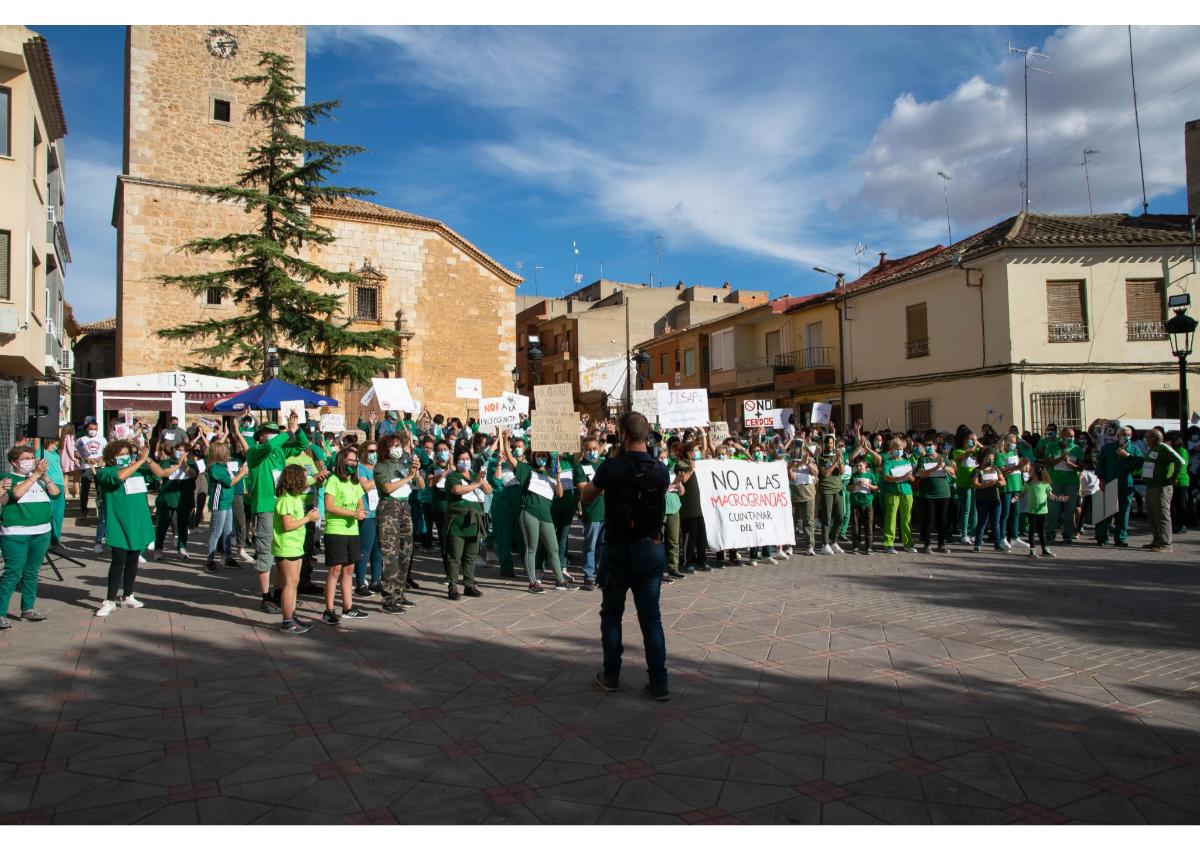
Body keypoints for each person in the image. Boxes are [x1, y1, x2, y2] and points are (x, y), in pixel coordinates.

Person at [580, 411, 670, 701]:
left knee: (611, 614)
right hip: (651, 547)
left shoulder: (612, 466)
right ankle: (659, 683)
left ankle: (611, 674)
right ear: (647, 436)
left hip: (619, 548)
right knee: (651, 618)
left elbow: (587, 497)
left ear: (623, 434)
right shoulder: (660, 468)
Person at [95, 440, 170, 617]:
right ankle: (110, 600)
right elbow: (120, 477)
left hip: (137, 523)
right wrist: (138, 462)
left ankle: (128, 595)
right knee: (118, 560)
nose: (124, 456)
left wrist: (147, 459)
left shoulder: (138, 470)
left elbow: (160, 474)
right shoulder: (106, 472)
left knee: (133, 561)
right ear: (112, 457)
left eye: (127, 453)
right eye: (120, 454)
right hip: (119, 524)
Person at [246, 414, 309, 614]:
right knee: (265, 550)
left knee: (281, 550)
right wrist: (287, 431)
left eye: (275, 431)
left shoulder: (280, 451)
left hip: (281, 505)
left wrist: (296, 429)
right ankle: (265, 596)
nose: (274, 435)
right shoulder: (256, 451)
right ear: (260, 435)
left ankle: (281, 592)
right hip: (265, 506)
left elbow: (302, 444)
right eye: (270, 432)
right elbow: (271, 446)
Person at [0, 446, 60, 628]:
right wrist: (34, 476)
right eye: (25, 458)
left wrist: (45, 477)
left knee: (32, 572)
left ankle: (28, 608)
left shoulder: (39, 478)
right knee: (12, 572)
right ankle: (1, 612)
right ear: (14, 462)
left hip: (41, 531)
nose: (30, 460)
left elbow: (56, 493)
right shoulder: (8, 478)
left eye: (31, 457)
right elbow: (17, 494)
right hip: (16, 533)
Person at [501, 436, 569, 593]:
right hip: (529, 513)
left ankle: (560, 580)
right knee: (531, 548)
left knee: (553, 548)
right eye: (538, 455)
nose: (541, 458)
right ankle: (533, 583)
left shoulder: (551, 474)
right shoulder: (526, 470)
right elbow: (511, 459)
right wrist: (505, 443)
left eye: (544, 456)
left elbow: (559, 494)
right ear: (533, 456)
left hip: (546, 516)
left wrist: (558, 477)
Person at [374, 432, 423, 614]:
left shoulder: (405, 463)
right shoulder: (381, 466)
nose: (397, 448)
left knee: (405, 553)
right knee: (391, 555)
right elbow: (387, 487)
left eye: (398, 445)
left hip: (405, 508)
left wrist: (415, 473)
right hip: (389, 510)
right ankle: (388, 598)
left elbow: (422, 486)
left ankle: (399, 592)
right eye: (393, 445)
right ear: (386, 448)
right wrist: (409, 476)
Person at [321, 446, 369, 624]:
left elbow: (360, 503)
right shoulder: (333, 480)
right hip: (336, 530)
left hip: (352, 531)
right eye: (350, 460)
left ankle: (348, 607)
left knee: (349, 570)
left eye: (355, 460)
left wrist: (361, 511)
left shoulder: (355, 483)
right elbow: (330, 506)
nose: (353, 463)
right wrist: (352, 513)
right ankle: (329, 609)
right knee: (335, 570)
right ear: (342, 461)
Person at [273, 464, 320, 634]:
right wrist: (308, 518)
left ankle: (292, 616)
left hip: (295, 546)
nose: (306, 481)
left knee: (294, 583)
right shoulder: (285, 499)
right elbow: (287, 525)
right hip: (287, 547)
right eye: (303, 477)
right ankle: (287, 620)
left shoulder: (295, 498)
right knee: (289, 584)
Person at [445, 446, 491, 599]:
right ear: (456, 461)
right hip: (458, 522)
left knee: (471, 556)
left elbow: (489, 490)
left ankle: (469, 584)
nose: (464, 462)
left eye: (467, 459)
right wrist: (476, 484)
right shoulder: (453, 476)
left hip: (474, 521)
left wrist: (481, 480)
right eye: (461, 459)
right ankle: (452, 586)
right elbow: (457, 490)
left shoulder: (474, 475)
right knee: (455, 556)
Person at [204, 439, 249, 573]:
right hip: (220, 503)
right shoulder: (215, 468)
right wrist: (242, 473)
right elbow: (229, 482)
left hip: (227, 501)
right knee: (216, 532)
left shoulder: (223, 466)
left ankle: (227, 557)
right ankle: (210, 560)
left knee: (228, 531)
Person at [1094, 425, 1143, 547]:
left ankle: (1121, 538)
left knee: (1123, 512)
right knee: (1105, 511)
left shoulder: (1134, 449)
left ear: (1131, 436)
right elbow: (1100, 465)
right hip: (1109, 482)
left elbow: (1140, 463)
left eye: (1127, 435)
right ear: (1118, 436)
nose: (1125, 437)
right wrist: (1101, 479)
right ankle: (1101, 537)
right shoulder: (1108, 448)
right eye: (1123, 434)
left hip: (1126, 484)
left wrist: (1127, 456)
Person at [150, 440, 198, 560]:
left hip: (184, 499)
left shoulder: (192, 463)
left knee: (182, 526)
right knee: (162, 526)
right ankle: (158, 549)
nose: (178, 452)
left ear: (186, 452)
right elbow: (163, 474)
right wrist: (177, 465)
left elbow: (193, 475)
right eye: (177, 450)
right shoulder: (167, 462)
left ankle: (182, 548)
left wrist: (184, 466)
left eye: (181, 450)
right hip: (168, 499)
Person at [1141, 427, 1182, 553]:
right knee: (1153, 515)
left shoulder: (1163, 447)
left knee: (1162, 516)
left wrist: (1174, 477)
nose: (1145, 439)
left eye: (1147, 437)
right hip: (1151, 486)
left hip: (1161, 488)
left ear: (1153, 438)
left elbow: (1180, 461)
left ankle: (1166, 543)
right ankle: (1157, 540)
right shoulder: (1152, 449)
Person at [1045, 427, 1084, 545]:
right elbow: (1048, 463)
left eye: (1072, 436)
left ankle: (1067, 535)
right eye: (1068, 436)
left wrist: (1068, 462)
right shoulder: (1052, 447)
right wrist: (1060, 459)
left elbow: (1080, 467)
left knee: (1069, 510)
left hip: (1071, 483)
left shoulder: (1077, 449)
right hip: (1055, 482)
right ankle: (1050, 535)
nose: (1070, 438)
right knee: (1053, 510)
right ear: (1061, 436)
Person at [354, 440, 383, 596]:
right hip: (367, 512)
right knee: (365, 549)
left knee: (378, 550)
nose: (374, 454)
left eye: (376, 451)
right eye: (371, 451)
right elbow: (365, 486)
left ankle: (375, 580)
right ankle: (360, 583)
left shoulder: (378, 468)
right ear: (364, 452)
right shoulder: (360, 468)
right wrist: (381, 478)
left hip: (379, 511)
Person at [577, 435, 606, 588]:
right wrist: (602, 488)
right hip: (592, 512)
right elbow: (583, 488)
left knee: (603, 544)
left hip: (606, 512)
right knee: (590, 545)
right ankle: (588, 575)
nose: (591, 452)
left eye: (594, 449)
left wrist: (595, 488)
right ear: (584, 450)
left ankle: (600, 571)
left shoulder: (604, 463)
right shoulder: (580, 466)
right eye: (588, 449)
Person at [916, 440, 953, 553]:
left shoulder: (943, 458)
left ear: (935, 446)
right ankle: (927, 544)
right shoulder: (923, 459)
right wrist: (935, 467)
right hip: (928, 494)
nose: (928, 447)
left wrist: (943, 466)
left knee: (942, 520)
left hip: (943, 493)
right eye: (926, 445)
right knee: (929, 519)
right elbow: (921, 474)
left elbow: (952, 471)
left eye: (930, 445)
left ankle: (941, 544)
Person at [880, 438, 916, 554]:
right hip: (892, 493)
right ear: (891, 449)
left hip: (907, 492)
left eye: (901, 449)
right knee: (891, 518)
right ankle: (889, 543)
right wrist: (901, 478)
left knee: (907, 518)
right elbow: (886, 477)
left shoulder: (906, 462)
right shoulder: (888, 462)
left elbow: (912, 478)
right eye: (896, 448)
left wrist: (910, 478)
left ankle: (908, 543)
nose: (899, 451)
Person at [1023, 464, 1067, 558]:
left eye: (1031, 471)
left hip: (1042, 511)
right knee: (1031, 530)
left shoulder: (1045, 484)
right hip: (1031, 510)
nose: (1029, 472)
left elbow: (1050, 495)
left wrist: (1058, 498)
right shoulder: (1028, 483)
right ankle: (1032, 549)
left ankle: (1045, 549)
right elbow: (1022, 493)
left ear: (1037, 472)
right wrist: (1017, 497)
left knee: (1041, 530)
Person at [971, 450, 1006, 553]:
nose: (990, 461)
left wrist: (998, 483)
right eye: (988, 459)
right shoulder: (977, 471)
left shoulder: (995, 469)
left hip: (995, 500)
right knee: (982, 522)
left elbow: (1003, 481)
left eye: (992, 459)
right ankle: (977, 544)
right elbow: (975, 484)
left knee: (995, 522)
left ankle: (998, 544)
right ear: (982, 459)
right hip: (982, 500)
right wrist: (988, 484)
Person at [35, 435, 67, 548]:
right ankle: (47, 540)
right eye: (54, 443)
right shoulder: (40, 451)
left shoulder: (55, 453)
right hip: (50, 483)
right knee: (51, 513)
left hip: (60, 484)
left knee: (59, 513)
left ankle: (55, 539)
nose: (56, 445)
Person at [816, 435, 845, 555]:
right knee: (826, 518)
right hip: (826, 490)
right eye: (828, 443)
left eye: (832, 443)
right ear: (824, 444)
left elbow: (842, 472)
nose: (830, 445)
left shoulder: (837, 456)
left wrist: (839, 460)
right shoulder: (821, 458)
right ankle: (825, 544)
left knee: (840, 516)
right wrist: (834, 463)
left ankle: (834, 541)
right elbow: (825, 474)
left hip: (838, 489)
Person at [789, 441, 818, 556]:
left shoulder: (811, 460)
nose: (800, 451)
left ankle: (810, 546)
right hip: (795, 494)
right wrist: (797, 463)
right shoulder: (790, 461)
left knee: (808, 521)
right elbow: (791, 476)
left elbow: (816, 472)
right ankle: (789, 546)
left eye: (802, 449)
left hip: (809, 494)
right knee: (792, 521)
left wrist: (807, 463)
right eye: (797, 448)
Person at [847, 459, 877, 554]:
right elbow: (848, 488)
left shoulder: (871, 475)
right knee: (855, 526)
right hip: (856, 503)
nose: (859, 467)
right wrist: (856, 484)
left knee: (868, 525)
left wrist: (869, 485)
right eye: (857, 466)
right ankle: (856, 546)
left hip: (867, 503)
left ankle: (869, 546)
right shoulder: (854, 476)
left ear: (865, 466)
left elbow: (877, 487)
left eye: (860, 465)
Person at [60, 424, 79, 500]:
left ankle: (66, 492)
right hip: (69, 459)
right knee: (75, 475)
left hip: (63, 458)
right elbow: (70, 449)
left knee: (65, 476)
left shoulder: (62, 438)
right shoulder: (69, 437)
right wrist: (74, 458)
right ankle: (76, 493)